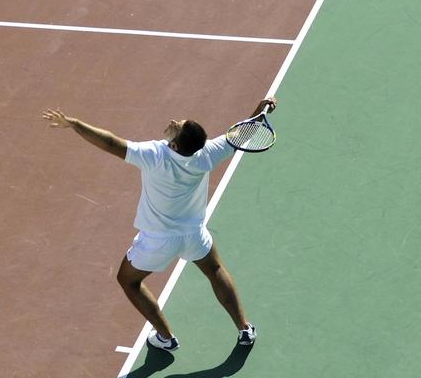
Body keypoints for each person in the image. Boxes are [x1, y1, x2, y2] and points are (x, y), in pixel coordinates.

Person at [40, 99, 274, 351]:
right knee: (215, 270)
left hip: (157, 241)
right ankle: (244, 329)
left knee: (128, 281)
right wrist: (262, 111)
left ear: (174, 144)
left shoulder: (154, 155)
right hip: (193, 235)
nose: (174, 121)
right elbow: (242, 134)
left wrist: (74, 124)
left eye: (177, 126)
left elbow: (110, 143)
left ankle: (165, 337)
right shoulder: (206, 153)